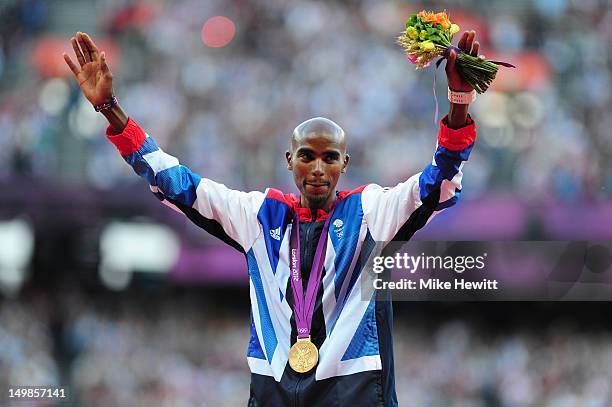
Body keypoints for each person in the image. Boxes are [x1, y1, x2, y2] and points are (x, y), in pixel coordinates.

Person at [64, 29, 480, 406]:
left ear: (344, 164)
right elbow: (175, 183)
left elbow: (438, 184)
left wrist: (458, 106)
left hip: (353, 396)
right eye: (307, 156)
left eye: (329, 158)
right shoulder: (260, 217)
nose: (318, 168)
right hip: (273, 395)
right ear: (289, 161)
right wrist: (110, 109)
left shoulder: (370, 212)